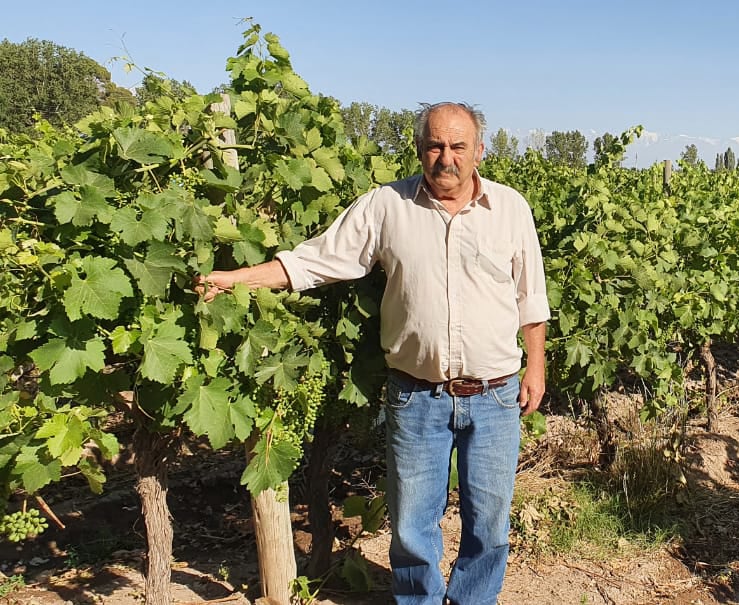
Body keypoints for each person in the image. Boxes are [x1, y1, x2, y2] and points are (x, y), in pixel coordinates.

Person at [197, 101, 549, 605]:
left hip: (495, 397)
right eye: (434, 145)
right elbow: (317, 260)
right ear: (419, 149)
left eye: (457, 146)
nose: (445, 157)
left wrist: (534, 366)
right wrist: (237, 279)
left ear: (479, 151)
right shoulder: (387, 205)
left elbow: (530, 296)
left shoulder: (511, 208)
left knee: (490, 525)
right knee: (410, 526)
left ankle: (473, 600)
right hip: (416, 396)